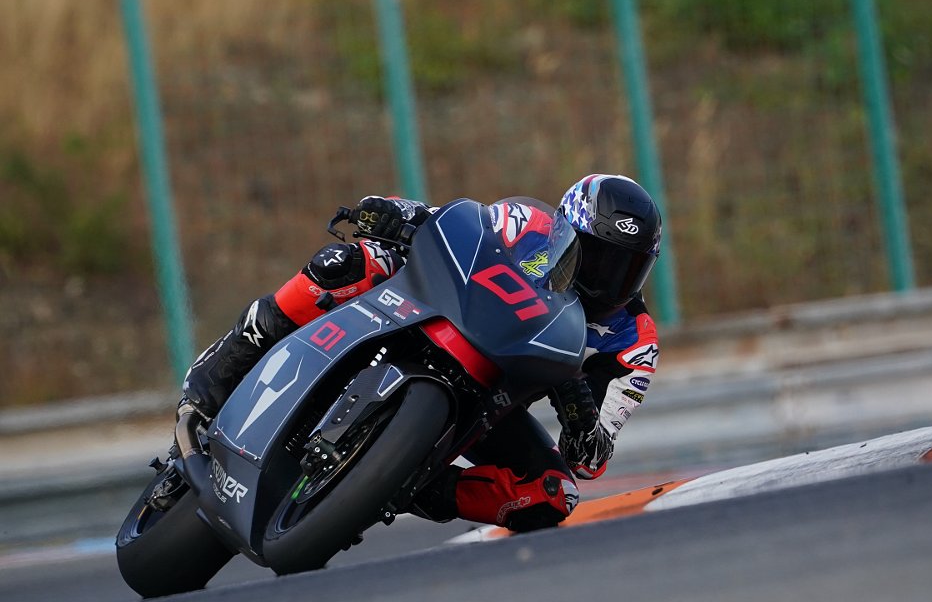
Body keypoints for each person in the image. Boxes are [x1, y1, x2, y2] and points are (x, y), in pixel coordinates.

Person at [178, 173, 661, 532]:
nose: (606, 279)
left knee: (555, 496)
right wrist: (398, 213)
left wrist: (579, 414)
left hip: (494, 398)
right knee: (348, 262)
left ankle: (416, 486)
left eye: (627, 267)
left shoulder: (635, 342)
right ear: (566, 231)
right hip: (434, 311)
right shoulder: (528, 224)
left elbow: (592, 458)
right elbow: (453, 226)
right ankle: (227, 364)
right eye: (596, 257)